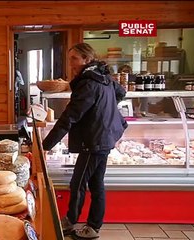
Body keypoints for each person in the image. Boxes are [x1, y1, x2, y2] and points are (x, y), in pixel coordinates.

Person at [42, 43, 127, 239]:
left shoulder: (89, 83)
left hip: (95, 141)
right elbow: (121, 92)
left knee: (78, 183)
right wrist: (104, 110)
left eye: (75, 59)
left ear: (87, 60)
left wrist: (46, 146)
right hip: (104, 137)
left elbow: (69, 117)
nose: (71, 63)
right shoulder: (102, 76)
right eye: (70, 58)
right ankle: (93, 227)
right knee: (96, 184)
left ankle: (70, 222)